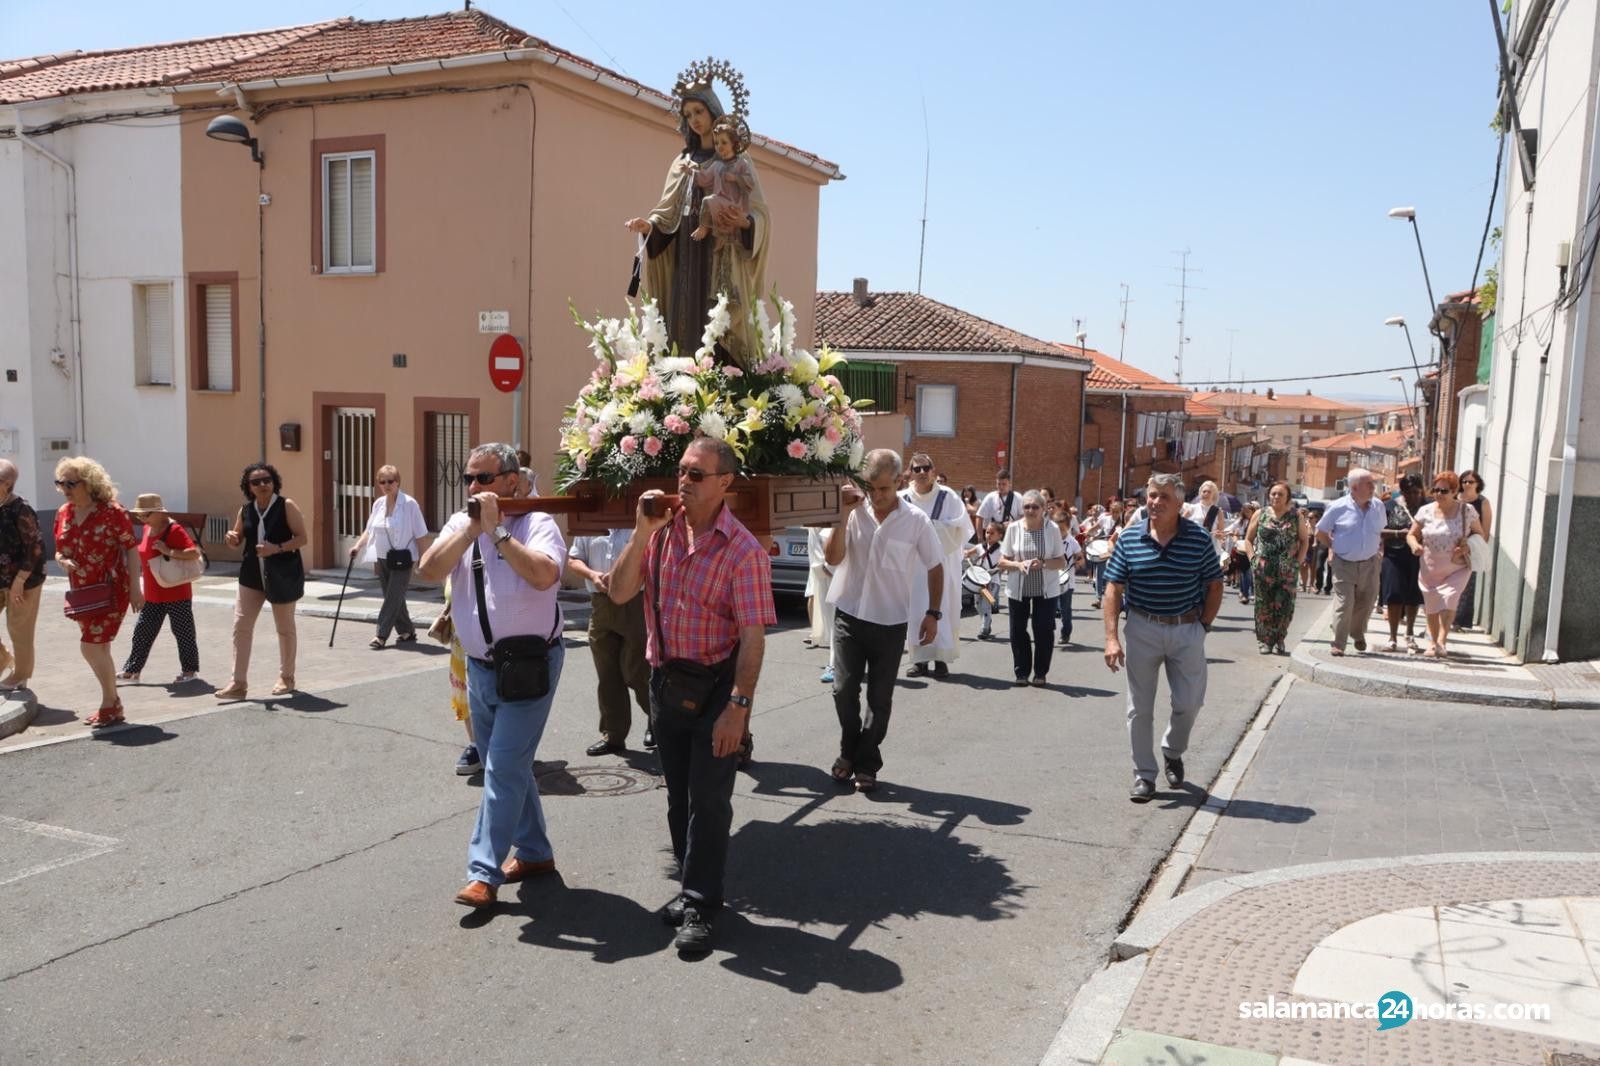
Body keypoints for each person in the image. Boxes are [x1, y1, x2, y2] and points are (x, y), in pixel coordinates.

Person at [606, 437, 775, 955]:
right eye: (681, 470)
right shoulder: (660, 534)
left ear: (725, 482)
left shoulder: (743, 551)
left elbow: (752, 638)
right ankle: (690, 889)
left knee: (709, 798)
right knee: (677, 796)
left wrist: (737, 711)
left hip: (718, 689)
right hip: (666, 683)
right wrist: (641, 531)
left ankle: (701, 903)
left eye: (696, 474)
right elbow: (618, 592)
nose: (683, 480)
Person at [418, 443, 568, 909]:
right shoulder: (461, 525)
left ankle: (483, 873)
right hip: (481, 666)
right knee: (505, 766)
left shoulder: (536, 522)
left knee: (501, 768)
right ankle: (536, 853)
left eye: (484, 479)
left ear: (512, 480)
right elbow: (429, 570)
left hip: (531, 664)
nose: (473, 487)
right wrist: (471, 529)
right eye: (469, 478)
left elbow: (544, 575)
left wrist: (498, 532)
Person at [626, 75, 769, 366]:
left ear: (714, 112)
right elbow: (667, 214)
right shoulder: (682, 163)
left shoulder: (739, 160)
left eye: (699, 112)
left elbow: (760, 212)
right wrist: (649, 227)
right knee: (685, 324)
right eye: (688, 114)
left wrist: (745, 223)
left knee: (721, 325)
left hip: (722, 255)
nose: (694, 120)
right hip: (686, 257)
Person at [823, 449, 942, 792]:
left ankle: (866, 761)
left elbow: (935, 566)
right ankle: (849, 748)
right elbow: (833, 559)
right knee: (843, 690)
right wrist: (842, 517)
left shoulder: (916, 521)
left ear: (900, 482)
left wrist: (933, 614)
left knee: (879, 700)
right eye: (871, 488)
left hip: (890, 622)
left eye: (884, 490)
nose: (876, 496)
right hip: (849, 614)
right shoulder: (853, 511)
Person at [1103, 473, 1223, 802]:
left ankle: (1172, 750)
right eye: (1152, 495)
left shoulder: (1198, 539)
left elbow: (1215, 584)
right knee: (1139, 708)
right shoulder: (1130, 538)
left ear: (1180, 504)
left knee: (1189, 702)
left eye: (1163, 497)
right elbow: (1113, 588)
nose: (1155, 502)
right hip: (1142, 627)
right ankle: (1144, 774)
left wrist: (1203, 626)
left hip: (1186, 629)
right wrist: (1111, 638)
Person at [52, 457, 141, 726]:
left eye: (71, 483)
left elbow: (131, 548)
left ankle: (108, 702)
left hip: (112, 589)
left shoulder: (112, 512)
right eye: (60, 483)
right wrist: (62, 561)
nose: (65, 488)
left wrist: (137, 588)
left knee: (90, 647)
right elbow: (59, 550)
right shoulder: (63, 513)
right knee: (99, 647)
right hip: (82, 592)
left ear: (89, 483)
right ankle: (113, 704)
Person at [217, 463, 307, 699]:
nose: (262, 485)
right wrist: (232, 538)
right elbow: (237, 538)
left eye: (266, 480)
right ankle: (238, 684)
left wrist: (276, 548)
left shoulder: (286, 506)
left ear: (274, 481)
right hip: (251, 576)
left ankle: (286, 677)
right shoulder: (245, 510)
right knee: (241, 627)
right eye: (256, 482)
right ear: (249, 487)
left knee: (285, 628)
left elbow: (302, 538)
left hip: (281, 575)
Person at [568, 527, 652, 755]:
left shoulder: (639, 522)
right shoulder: (591, 523)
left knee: (638, 671)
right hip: (601, 604)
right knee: (607, 674)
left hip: (636, 602)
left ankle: (658, 720)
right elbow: (574, 559)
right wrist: (593, 576)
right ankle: (613, 735)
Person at [117, 494, 203, 684]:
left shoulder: (173, 529)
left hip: (176, 591)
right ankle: (132, 671)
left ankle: (189, 672)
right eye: (138, 516)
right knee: (142, 631)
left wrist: (168, 551)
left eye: (144, 515)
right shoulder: (149, 528)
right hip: (153, 592)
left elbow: (193, 553)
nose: (141, 520)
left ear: (157, 512)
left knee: (183, 632)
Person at [348, 465, 432, 649]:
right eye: (382, 482)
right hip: (383, 557)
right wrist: (357, 546)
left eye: (390, 481)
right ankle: (407, 631)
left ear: (398, 482)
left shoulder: (409, 504)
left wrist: (423, 560)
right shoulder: (378, 504)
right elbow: (369, 531)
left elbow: (421, 535)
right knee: (394, 596)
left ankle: (381, 635)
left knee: (392, 597)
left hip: (404, 558)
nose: (386, 485)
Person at [902, 453, 967, 678]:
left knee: (942, 608)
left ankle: (941, 660)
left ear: (933, 470)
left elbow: (961, 528)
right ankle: (919, 661)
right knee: (916, 609)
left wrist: (930, 529)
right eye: (916, 469)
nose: (921, 473)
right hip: (913, 567)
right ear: (910, 471)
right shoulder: (903, 499)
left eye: (925, 468)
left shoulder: (948, 497)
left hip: (942, 564)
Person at [1408, 471, 1484, 659]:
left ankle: (1442, 640)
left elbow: (1479, 534)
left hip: (1457, 566)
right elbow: (1411, 534)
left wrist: (1468, 545)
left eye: (1443, 490)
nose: (1438, 494)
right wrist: (1414, 545)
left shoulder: (1467, 511)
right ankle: (1433, 643)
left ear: (1454, 491)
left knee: (1450, 598)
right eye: (1435, 489)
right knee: (1432, 606)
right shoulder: (1425, 511)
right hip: (1430, 566)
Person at [998, 490, 1068, 686]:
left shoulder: (1052, 528)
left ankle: (1040, 673)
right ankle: (1021, 672)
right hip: (1018, 588)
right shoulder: (1013, 528)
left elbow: (1061, 562)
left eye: (1035, 507)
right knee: (1017, 630)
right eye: (1027, 506)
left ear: (1044, 509)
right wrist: (1018, 565)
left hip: (1046, 589)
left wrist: (1043, 563)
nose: (1030, 510)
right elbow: (1002, 562)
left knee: (1043, 630)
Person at [1314, 469, 1385, 656]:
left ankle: (1357, 632)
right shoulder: (1337, 507)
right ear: (1354, 487)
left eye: (1373, 483)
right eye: (1368, 484)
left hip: (1370, 562)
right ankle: (1338, 642)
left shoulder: (1378, 506)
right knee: (1345, 602)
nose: (1373, 487)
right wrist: (1333, 546)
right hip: (1344, 562)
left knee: (1367, 601)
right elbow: (1320, 532)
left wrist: (1380, 551)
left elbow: (1380, 532)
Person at [1243, 482, 1306, 655]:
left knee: (1285, 605)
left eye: (1280, 494)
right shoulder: (1260, 514)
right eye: (1273, 494)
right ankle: (1265, 641)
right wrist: (1253, 559)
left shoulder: (1296, 516)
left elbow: (1304, 540)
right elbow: (1248, 539)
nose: (1276, 497)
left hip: (1287, 569)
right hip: (1263, 567)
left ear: (1287, 497)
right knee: (1263, 605)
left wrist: (1297, 562)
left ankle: (1280, 638)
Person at [0, 459, 44, 691]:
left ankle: (21, 675)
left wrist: (19, 581)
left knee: (19, 630)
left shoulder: (21, 509)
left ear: (7, 484)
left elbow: (34, 547)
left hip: (23, 581)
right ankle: (3, 659)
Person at [688, 116, 756, 244]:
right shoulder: (717, 165)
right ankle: (712, 231)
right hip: (720, 203)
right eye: (717, 143)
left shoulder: (741, 163)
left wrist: (735, 178)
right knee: (710, 201)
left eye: (724, 142)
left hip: (735, 206)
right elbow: (704, 178)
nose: (719, 146)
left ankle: (704, 228)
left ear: (734, 144)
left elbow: (750, 183)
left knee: (708, 201)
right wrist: (690, 172)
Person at [1378, 474, 1426, 653]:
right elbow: (1379, 530)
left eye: (1416, 492)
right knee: (1394, 594)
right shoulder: (1389, 506)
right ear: (1402, 491)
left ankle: (1410, 633)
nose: (1412, 496)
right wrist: (1400, 534)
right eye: (1408, 492)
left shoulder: (1427, 507)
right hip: (1394, 555)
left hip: (1418, 556)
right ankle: (1392, 637)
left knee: (1414, 595)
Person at [1455, 469, 1493, 630]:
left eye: (1470, 482)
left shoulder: (1483, 502)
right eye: (1464, 481)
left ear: (1478, 484)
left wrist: (1476, 547)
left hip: (1471, 547)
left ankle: (1459, 621)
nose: (1466, 484)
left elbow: (1485, 529)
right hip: (1452, 546)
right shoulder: (1455, 498)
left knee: (1467, 583)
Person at [804, 525, 837, 683]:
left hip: (849, 573)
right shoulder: (818, 519)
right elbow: (814, 548)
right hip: (827, 575)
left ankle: (841, 664)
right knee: (832, 621)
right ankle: (835, 664)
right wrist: (826, 567)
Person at [964, 520, 1005, 640]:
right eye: (987, 532)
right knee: (978, 605)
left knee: (986, 604)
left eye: (992, 533)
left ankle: (984, 628)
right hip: (979, 582)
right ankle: (987, 621)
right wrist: (965, 553)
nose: (988, 535)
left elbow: (1002, 565)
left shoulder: (1001, 549)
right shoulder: (980, 547)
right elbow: (968, 553)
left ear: (1000, 535)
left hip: (992, 582)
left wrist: (994, 571)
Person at [1054, 509, 1086, 647]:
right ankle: (1048, 632)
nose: (1059, 531)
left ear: (1068, 527)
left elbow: (1081, 558)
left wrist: (1079, 563)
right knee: (1049, 608)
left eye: (1061, 528)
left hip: (1068, 581)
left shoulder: (1072, 542)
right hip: (1052, 580)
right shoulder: (1050, 539)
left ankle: (1065, 632)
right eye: (1056, 528)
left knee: (1065, 609)